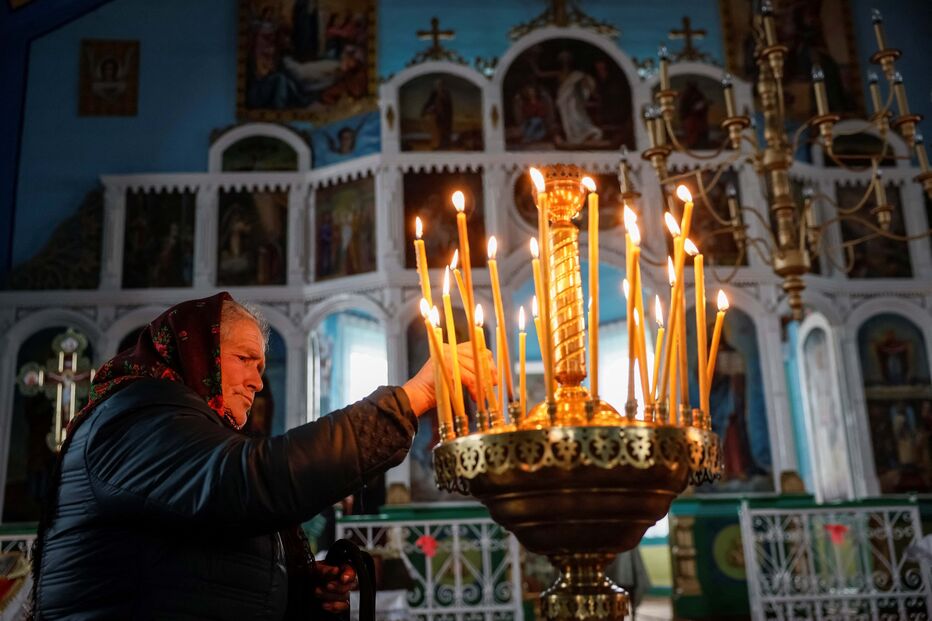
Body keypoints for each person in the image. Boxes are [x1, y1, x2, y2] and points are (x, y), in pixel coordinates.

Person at [31, 292, 486, 619]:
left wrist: (300, 587)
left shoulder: (191, 431)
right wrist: (411, 399)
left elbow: (200, 556)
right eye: (245, 358)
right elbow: (245, 484)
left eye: (261, 366)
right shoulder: (133, 417)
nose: (257, 381)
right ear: (197, 350)